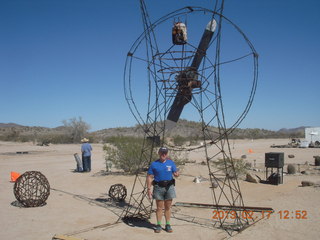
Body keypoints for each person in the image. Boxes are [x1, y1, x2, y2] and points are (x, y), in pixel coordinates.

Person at [147, 147, 179, 233]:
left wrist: (176, 174)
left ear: (167, 154)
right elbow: (149, 177)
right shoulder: (154, 164)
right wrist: (149, 189)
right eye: (162, 152)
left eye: (165, 153)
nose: (163, 154)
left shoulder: (171, 163)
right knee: (159, 208)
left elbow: (176, 173)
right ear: (159, 153)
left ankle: (168, 224)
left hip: (169, 187)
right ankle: (158, 225)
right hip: (158, 187)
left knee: (168, 207)